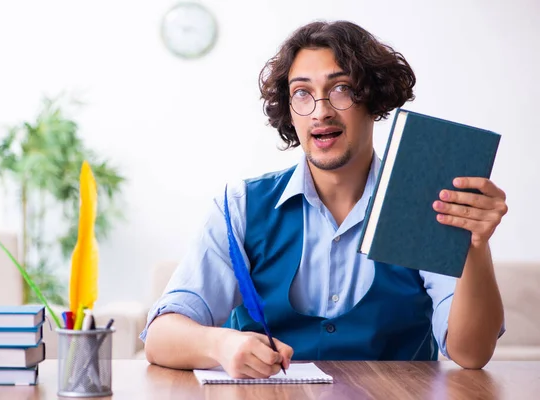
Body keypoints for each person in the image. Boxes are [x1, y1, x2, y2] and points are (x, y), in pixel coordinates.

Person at [140, 20, 507, 378]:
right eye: (302, 92)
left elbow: (471, 353)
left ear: (373, 99)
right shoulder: (240, 206)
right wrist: (219, 344)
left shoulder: (426, 204)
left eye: (342, 89)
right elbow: (160, 337)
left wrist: (476, 244)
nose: (321, 111)